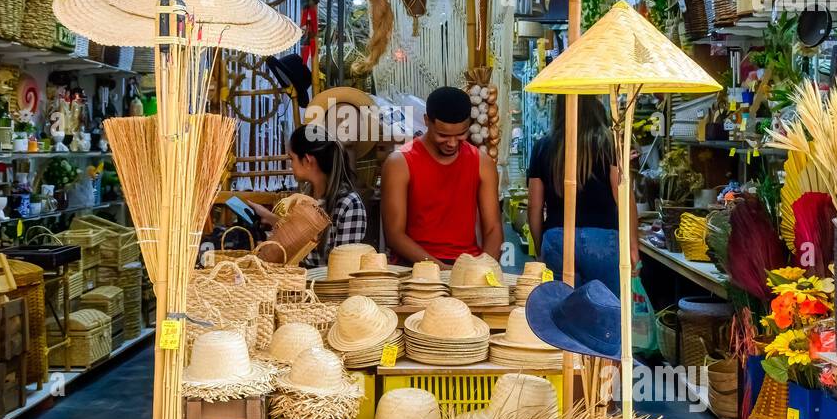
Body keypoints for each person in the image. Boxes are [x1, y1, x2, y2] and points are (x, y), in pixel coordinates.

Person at [381, 86, 503, 265]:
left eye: (461, 134)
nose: (452, 143)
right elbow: (394, 235)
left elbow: (493, 228)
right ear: (426, 121)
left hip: (466, 264)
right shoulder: (399, 163)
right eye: (443, 135)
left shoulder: (482, 163)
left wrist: (483, 268)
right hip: (415, 266)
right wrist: (442, 271)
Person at [527, 95, 631, 291]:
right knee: (605, 311)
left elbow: (534, 205)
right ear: (595, 105)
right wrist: (632, 245)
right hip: (603, 239)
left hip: (558, 237)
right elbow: (623, 197)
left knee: (563, 311)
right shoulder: (610, 143)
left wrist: (541, 245)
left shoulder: (543, 146)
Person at [250, 124, 367, 268]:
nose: (290, 165)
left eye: (292, 158)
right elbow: (299, 234)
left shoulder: (349, 204)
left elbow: (342, 268)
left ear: (307, 160)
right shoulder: (306, 194)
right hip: (298, 283)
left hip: (325, 287)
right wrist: (267, 216)